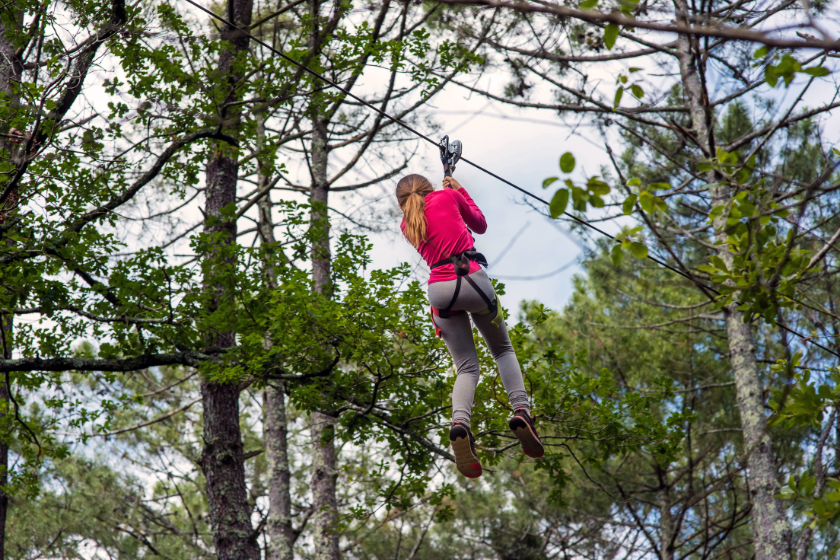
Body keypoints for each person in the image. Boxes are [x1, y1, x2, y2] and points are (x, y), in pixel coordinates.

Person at [396, 173, 543, 479]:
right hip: (472, 280)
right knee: (502, 350)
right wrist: (459, 189)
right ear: (431, 188)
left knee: (466, 368)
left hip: (439, 291)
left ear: (402, 203)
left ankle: (460, 423)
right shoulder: (447, 196)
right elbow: (480, 224)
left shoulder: (406, 225)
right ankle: (521, 411)